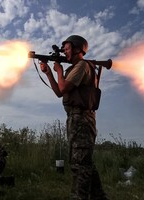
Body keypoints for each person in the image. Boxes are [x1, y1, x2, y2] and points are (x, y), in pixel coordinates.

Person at [39, 35, 108, 200]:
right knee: (84, 161)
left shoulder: (82, 66)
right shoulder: (74, 68)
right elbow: (59, 92)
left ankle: (79, 196)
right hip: (75, 118)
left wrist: (59, 71)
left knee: (80, 163)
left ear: (78, 49)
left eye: (68, 48)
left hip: (82, 119)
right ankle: (98, 196)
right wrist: (50, 73)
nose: (65, 52)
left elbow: (63, 89)